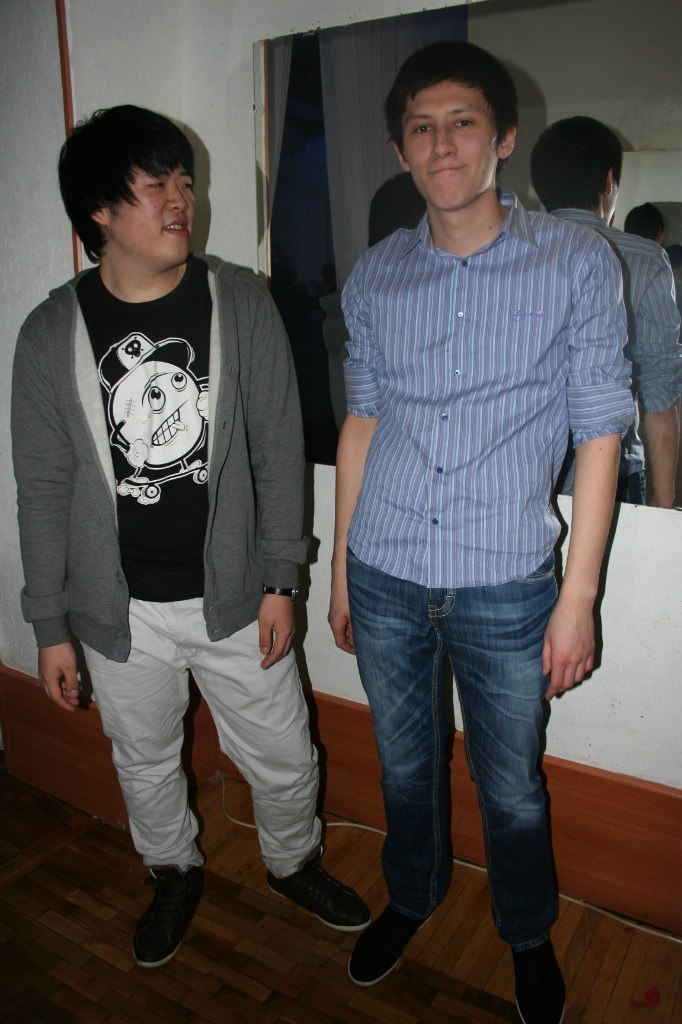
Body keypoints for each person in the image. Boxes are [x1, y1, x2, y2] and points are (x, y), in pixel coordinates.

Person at [11, 104, 369, 971]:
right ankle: (172, 870)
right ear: (99, 209)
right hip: (119, 611)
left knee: (283, 754)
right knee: (144, 760)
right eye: (154, 183)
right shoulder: (50, 333)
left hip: (238, 597)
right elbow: (43, 489)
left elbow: (279, 449)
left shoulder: (238, 301)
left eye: (186, 180)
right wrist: (50, 626)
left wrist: (281, 580)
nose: (181, 199)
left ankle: (293, 863)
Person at [328, 41, 633, 1024]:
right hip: (384, 571)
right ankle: (413, 895)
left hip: (507, 582)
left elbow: (600, 430)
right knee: (405, 768)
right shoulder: (376, 275)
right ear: (399, 148)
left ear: (502, 137)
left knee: (511, 788)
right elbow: (362, 422)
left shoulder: (575, 260)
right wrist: (340, 572)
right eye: (420, 127)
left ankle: (526, 934)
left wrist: (578, 599)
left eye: (462, 121)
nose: (441, 143)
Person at [531, 118, 682, 508]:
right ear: (610, 181)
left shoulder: (510, 254)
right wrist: (663, 504)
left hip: (520, 479)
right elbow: (658, 394)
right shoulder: (645, 259)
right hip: (612, 477)